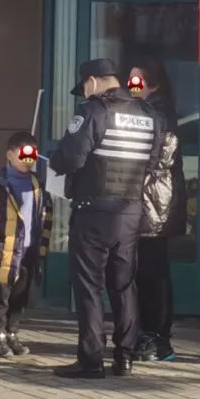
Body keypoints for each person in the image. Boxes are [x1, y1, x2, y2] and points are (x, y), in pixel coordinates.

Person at [49, 58, 162, 379]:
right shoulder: (148, 114)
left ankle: (91, 359)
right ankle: (124, 357)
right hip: (129, 211)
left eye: (85, 86)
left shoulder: (93, 111)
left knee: (89, 286)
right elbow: (153, 163)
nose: (85, 92)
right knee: (124, 285)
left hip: (94, 211)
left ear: (92, 81)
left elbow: (72, 158)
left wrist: (55, 160)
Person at [0, 131, 53, 357]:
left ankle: (12, 332)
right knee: (1, 296)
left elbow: (44, 217)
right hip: (4, 252)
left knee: (20, 296)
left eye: (32, 156)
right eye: (23, 155)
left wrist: (41, 249)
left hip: (28, 251)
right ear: (9, 155)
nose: (28, 161)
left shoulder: (37, 185)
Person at [129, 57, 187, 363]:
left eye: (137, 80)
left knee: (152, 272)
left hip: (154, 204)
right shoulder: (143, 110)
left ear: (153, 84)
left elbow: (159, 158)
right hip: (145, 202)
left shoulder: (158, 114)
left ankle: (158, 338)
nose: (131, 85)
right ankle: (146, 333)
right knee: (144, 271)